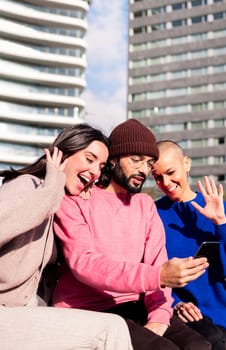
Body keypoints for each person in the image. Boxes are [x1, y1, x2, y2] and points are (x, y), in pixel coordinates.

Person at [53, 119, 211, 350]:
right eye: (136, 160)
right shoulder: (77, 199)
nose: (143, 170)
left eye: (149, 163)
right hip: (88, 309)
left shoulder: (144, 205)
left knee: (200, 346)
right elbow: (84, 264)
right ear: (113, 158)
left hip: (135, 304)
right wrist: (157, 276)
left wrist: (159, 317)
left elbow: (158, 264)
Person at [0, 123, 133, 350]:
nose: (95, 172)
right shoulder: (28, 186)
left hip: (23, 313)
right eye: (89, 159)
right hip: (6, 315)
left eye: (100, 166)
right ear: (63, 153)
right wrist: (54, 184)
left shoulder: (56, 203)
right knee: (111, 330)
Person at [152, 140, 226, 350]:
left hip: (219, 318)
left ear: (186, 163)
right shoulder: (153, 213)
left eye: (171, 172)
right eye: (158, 177)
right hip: (177, 316)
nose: (166, 182)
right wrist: (175, 302)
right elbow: (151, 270)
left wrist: (221, 224)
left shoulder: (217, 206)